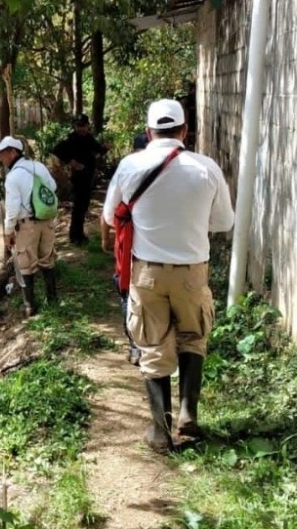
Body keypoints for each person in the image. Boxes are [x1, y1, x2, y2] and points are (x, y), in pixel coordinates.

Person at [101, 99, 234, 453]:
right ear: (185, 131)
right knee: (193, 337)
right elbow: (224, 222)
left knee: (152, 344)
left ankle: (160, 431)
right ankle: (188, 417)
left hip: (148, 273)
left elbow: (112, 218)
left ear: (148, 133)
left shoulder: (130, 166)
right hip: (192, 271)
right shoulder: (205, 168)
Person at [0, 136, 58, 317]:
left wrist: (8, 232)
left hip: (27, 224)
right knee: (47, 259)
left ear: (13, 152)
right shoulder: (39, 166)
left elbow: (12, 210)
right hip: (47, 220)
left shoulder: (13, 177)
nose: (1, 158)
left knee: (26, 264)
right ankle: (52, 300)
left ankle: (30, 307)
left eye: (3, 154)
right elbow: (53, 187)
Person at [109, 132, 149, 366]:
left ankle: (135, 346)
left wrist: (106, 238)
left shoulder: (126, 170)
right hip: (162, 250)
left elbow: (109, 213)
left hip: (129, 249)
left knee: (128, 293)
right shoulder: (171, 170)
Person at [52, 114, 108, 245]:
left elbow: (98, 149)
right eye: (79, 126)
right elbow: (57, 149)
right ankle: (74, 236)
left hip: (89, 177)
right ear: (75, 127)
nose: (81, 129)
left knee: (83, 207)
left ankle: (80, 234)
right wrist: (72, 162)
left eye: (83, 126)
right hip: (78, 178)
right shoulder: (71, 139)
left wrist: (105, 148)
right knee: (78, 208)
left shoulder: (89, 138)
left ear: (88, 126)